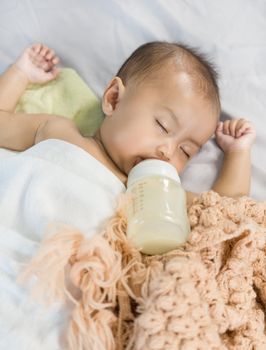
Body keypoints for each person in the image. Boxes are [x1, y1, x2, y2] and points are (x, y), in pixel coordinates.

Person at [0, 42, 256, 205]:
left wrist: (238, 153)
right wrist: (21, 73)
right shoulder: (58, 131)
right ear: (113, 99)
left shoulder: (152, 192)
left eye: (186, 151)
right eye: (163, 126)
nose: (167, 152)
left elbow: (225, 209)